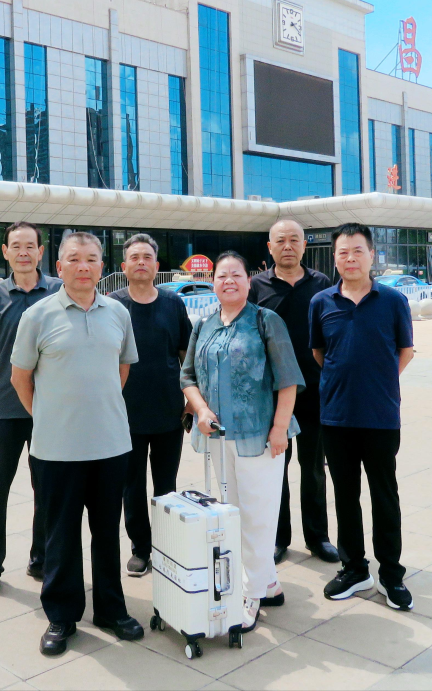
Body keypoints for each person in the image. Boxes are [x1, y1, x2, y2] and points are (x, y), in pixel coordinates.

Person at [11, 231, 142, 656]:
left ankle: (111, 609)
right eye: (73, 259)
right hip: (56, 449)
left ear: (102, 266)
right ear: (59, 266)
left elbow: (122, 369)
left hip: (111, 445)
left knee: (106, 533)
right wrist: (48, 416)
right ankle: (62, 615)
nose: (83, 266)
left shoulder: (118, 313)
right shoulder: (37, 316)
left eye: (91, 259)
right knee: (60, 536)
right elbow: (20, 378)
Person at [184, 251, 304, 633]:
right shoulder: (203, 325)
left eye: (236, 275)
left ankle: (251, 594)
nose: (229, 281)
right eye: (222, 276)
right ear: (213, 283)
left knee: (258, 516)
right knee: (231, 513)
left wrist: (280, 428)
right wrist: (201, 409)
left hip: (260, 437)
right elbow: (187, 377)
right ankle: (267, 583)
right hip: (220, 438)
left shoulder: (265, 321)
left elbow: (288, 379)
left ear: (249, 282)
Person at [310, 222, 415, 611]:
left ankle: (391, 574)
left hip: (381, 416)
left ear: (372, 255)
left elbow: (405, 351)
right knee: (345, 496)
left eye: (358, 250)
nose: (350, 258)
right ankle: (354, 568)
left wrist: (378, 382)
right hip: (336, 417)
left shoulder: (393, 301)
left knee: (384, 495)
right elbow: (320, 353)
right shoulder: (321, 302)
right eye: (343, 252)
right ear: (335, 258)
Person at [0, 222, 61, 599]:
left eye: (30, 246)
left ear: (41, 251)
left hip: (48, 409)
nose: (23, 252)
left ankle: (42, 558)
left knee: (49, 490)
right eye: (16, 246)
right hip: (3, 408)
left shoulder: (58, 291)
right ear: (5, 252)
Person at [248, 220, 339, 566]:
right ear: (269, 247)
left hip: (315, 390)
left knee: (314, 468)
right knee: (276, 469)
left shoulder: (322, 284)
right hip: (272, 393)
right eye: (281, 241)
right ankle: (277, 537)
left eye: (294, 240)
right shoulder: (256, 286)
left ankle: (318, 537)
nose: (287, 246)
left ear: (304, 245)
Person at [108, 233, 192, 576]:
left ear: (157, 266)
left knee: (166, 485)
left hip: (169, 411)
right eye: (135, 257)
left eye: (147, 257)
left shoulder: (173, 304)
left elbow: (187, 356)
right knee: (131, 486)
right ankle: (141, 548)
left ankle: (166, 546)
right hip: (124, 414)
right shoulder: (112, 305)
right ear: (124, 266)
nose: (141, 262)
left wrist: (192, 401)